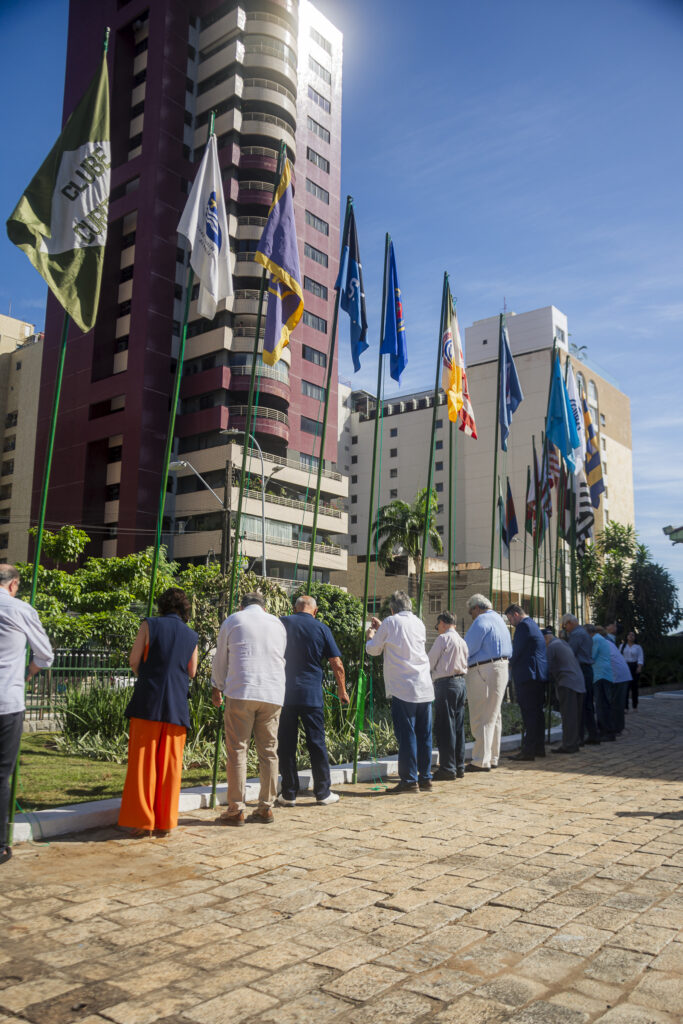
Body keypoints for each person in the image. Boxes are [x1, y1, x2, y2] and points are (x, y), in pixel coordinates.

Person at [118, 587, 198, 838]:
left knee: (143, 763)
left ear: (161, 605)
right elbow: (192, 671)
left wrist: (147, 676)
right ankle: (165, 821)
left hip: (148, 702)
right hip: (177, 705)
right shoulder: (191, 635)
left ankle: (142, 821)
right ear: (185, 609)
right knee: (170, 766)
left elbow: (134, 660)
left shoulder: (149, 625)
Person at [211, 592, 286, 825]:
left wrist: (217, 687)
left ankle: (236, 808)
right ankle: (266, 807)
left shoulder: (234, 620)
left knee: (237, 750)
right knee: (269, 752)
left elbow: (220, 658)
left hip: (241, 691)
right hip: (273, 693)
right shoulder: (277, 623)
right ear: (264, 607)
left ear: (241, 605)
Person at [0, 565, 53, 863]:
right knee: (1, 775)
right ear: (13, 585)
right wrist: (29, 670)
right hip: (6, 702)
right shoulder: (20, 610)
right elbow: (45, 654)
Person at [276, 595, 349, 807]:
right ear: (314, 611)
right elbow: (337, 663)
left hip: (286, 694)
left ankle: (289, 793)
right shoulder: (321, 628)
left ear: (293, 608)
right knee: (316, 744)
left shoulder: (282, 623)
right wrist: (342, 690)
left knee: (286, 745)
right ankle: (323, 792)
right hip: (312, 695)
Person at [366, 591, 434, 793]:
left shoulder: (390, 621)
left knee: (407, 735)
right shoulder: (418, 622)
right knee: (424, 735)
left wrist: (371, 636)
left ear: (393, 608)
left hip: (404, 687)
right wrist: (382, 631)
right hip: (424, 684)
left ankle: (409, 780)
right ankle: (426, 777)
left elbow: (374, 649)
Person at [463, 594, 512, 772]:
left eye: (471, 612)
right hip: (502, 667)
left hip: (483, 670)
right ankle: (492, 757)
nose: (471, 616)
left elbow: (467, 648)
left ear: (477, 608)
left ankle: (480, 760)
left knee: (481, 715)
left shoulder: (481, 620)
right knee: (493, 715)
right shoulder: (499, 619)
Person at [428, 610, 469, 780]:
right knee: (458, 726)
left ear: (443, 623)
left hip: (445, 684)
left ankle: (447, 767)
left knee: (445, 727)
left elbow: (430, 661)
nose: (437, 628)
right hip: (460, 683)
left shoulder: (443, 639)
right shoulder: (462, 641)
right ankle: (459, 765)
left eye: (438, 625)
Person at [505, 604, 548, 762]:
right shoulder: (533, 624)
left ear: (516, 614)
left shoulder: (523, 626)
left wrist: (507, 663)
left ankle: (528, 750)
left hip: (528, 676)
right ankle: (538, 747)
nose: (511, 623)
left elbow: (516, 651)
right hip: (537, 676)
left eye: (510, 619)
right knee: (537, 713)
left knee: (529, 714)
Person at [541, 627, 585, 753]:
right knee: (575, 716)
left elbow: (547, 667)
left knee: (568, 715)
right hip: (578, 682)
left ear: (545, 639)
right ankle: (574, 743)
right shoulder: (562, 643)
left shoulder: (552, 647)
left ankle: (569, 745)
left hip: (567, 683)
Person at [561, 614, 600, 746]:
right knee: (587, 704)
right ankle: (592, 734)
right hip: (587, 669)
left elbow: (570, 652)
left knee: (580, 704)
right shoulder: (584, 633)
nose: (565, 629)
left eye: (565, 625)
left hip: (582, 669)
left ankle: (580, 737)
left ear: (570, 622)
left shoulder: (577, 634)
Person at [586, 625, 615, 741]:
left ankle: (606, 732)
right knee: (604, 705)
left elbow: (591, 657)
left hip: (600, 675)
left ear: (589, 633)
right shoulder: (601, 639)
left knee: (601, 705)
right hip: (604, 675)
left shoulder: (596, 640)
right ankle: (607, 731)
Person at [607, 640, 632, 735]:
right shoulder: (609, 643)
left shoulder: (600, 643)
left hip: (617, 676)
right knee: (618, 703)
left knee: (615, 703)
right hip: (621, 674)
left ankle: (616, 728)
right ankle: (618, 727)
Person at [621, 632, 644, 710]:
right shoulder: (622, 646)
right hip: (625, 666)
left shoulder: (638, 647)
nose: (631, 636)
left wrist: (639, 667)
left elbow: (640, 657)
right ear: (626, 636)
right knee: (625, 687)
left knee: (634, 687)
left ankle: (635, 705)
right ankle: (625, 707)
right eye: (629, 635)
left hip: (634, 666)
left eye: (633, 635)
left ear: (635, 637)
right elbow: (619, 657)